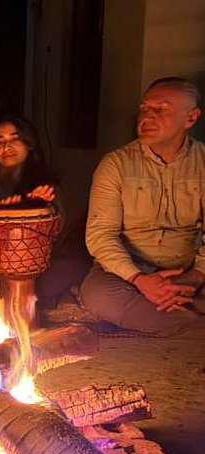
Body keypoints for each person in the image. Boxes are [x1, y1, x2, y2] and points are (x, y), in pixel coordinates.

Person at [81, 77, 205, 336]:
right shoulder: (115, 164)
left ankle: (171, 316)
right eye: (144, 109)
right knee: (98, 295)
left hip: (190, 272)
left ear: (191, 118)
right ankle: (191, 324)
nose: (147, 117)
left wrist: (194, 277)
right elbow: (100, 236)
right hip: (129, 274)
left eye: (160, 109)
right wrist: (140, 280)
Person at [0, 115, 89, 308]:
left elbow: (57, 226)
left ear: (29, 145)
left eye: (15, 139)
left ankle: (24, 300)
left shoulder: (44, 188)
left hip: (32, 267)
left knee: (74, 267)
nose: (7, 147)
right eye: (0, 142)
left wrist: (35, 206)